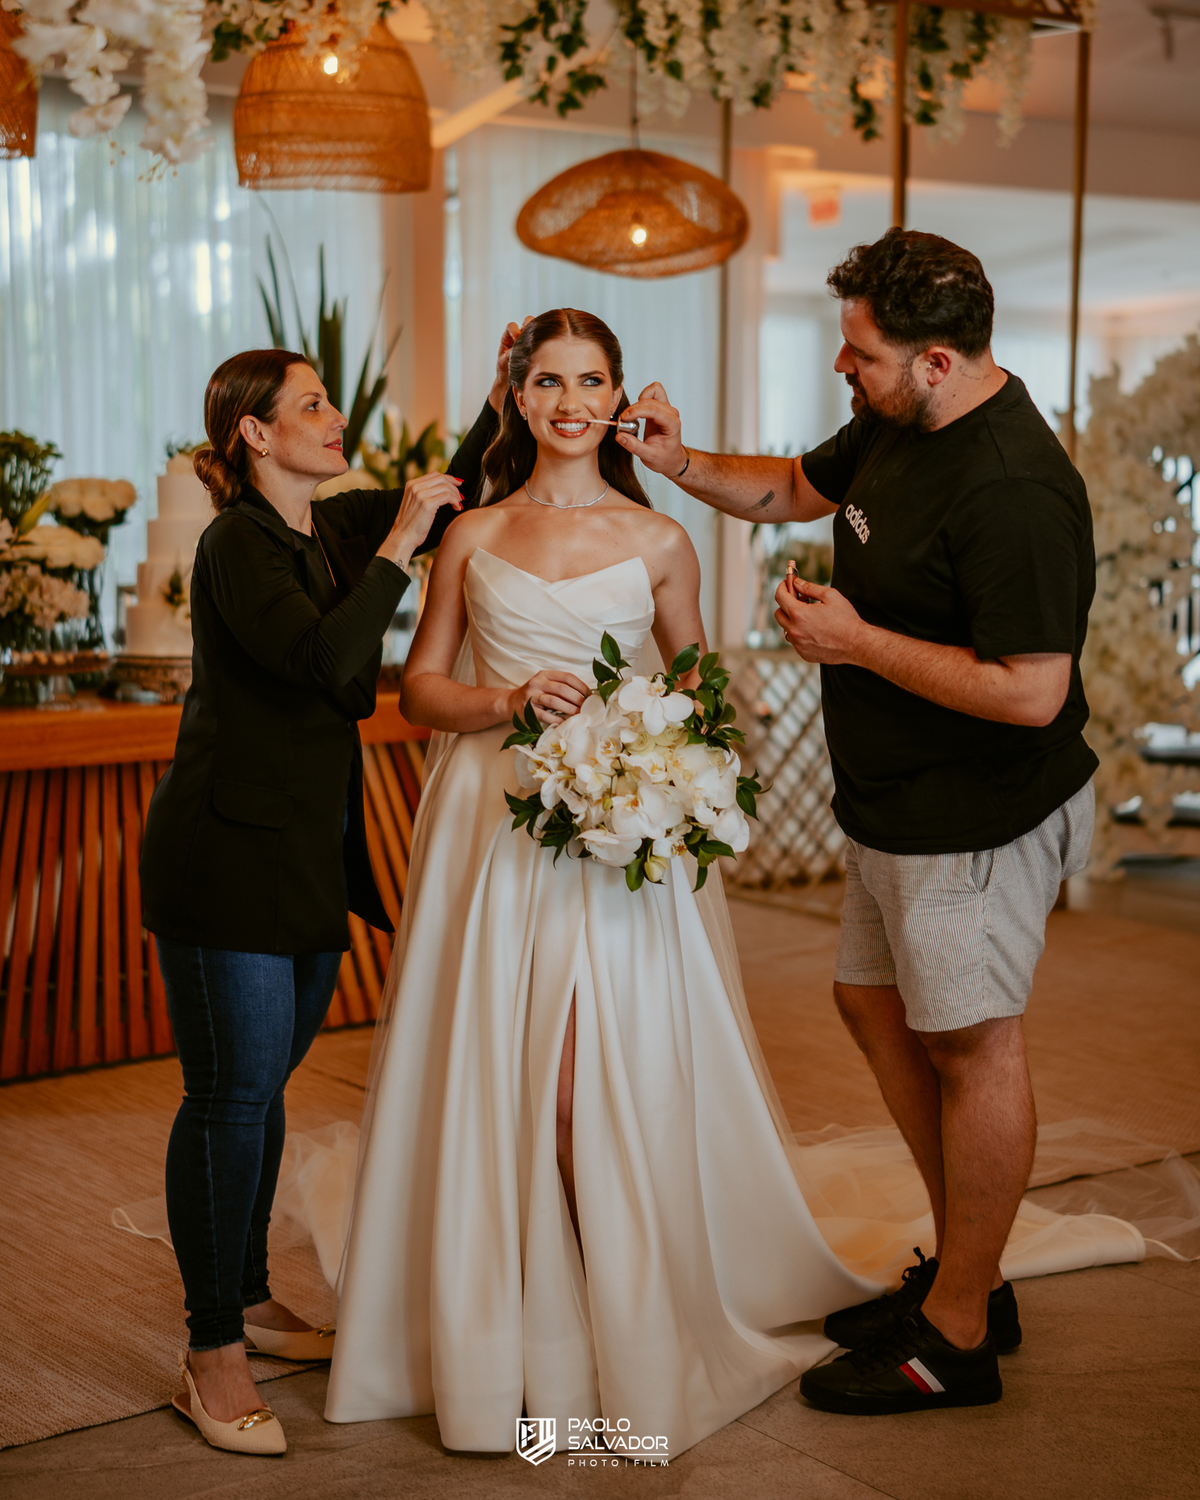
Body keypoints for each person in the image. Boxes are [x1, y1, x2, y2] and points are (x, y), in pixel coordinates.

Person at [323, 308, 890, 1457]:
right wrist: (505, 702)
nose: (570, 399)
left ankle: (608, 1326)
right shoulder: (473, 535)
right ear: (520, 399)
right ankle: (512, 1345)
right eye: (549, 380)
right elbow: (420, 691)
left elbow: (701, 694)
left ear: (618, 396)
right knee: (501, 1076)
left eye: (591, 379)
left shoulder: (661, 540)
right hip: (495, 833)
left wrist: (661, 765)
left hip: (617, 842)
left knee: (585, 1093)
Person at [617, 228, 1098, 1415]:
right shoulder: (900, 417)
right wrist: (679, 463)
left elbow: (1034, 690)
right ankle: (970, 1273)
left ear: (938, 361)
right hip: (894, 801)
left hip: (977, 814)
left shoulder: (1016, 486)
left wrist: (855, 643)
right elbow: (792, 487)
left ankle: (958, 1338)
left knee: (973, 1043)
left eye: (862, 353)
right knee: (873, 1004)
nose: (845, 367)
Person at [139, 334, 513, 1455]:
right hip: (224, 865)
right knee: (229, 1096)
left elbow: (444, 496)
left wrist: (500, 403)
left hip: (305, 861)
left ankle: (247, 1294)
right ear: (254, 432)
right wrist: (398, 545)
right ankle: (211, 1353)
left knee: (263, 1089)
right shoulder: (234, 548)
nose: (332, 414)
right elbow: (329, 669)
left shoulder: (330, 530)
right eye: (308, 405)